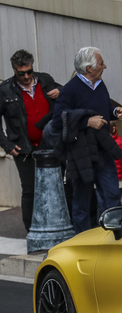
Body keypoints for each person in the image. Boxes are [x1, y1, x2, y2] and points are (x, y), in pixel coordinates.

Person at [51, 46, 122, 234]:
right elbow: (58, 120)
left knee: (112, 198)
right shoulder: (70, 90)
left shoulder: (100, 84)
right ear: (89, 68)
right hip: (82, 155)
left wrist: (114, 112)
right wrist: (87, 122)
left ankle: (115, 237)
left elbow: (102, 108)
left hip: (104, 152)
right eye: (101, 64)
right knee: (81, 203)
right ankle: (82, 243)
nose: (105, 66)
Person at [0, 49, 62, 231]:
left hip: (51, 145)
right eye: (21, 73)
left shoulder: (45, 80)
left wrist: (60, 91)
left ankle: (54, 225)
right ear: (14, 71)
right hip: (24, 149)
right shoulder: (5, 90)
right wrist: (7, 145)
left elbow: (68, 93)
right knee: (30, 190)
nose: (26, 76)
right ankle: (32, 230)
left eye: (29, 71)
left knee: (54, 188)